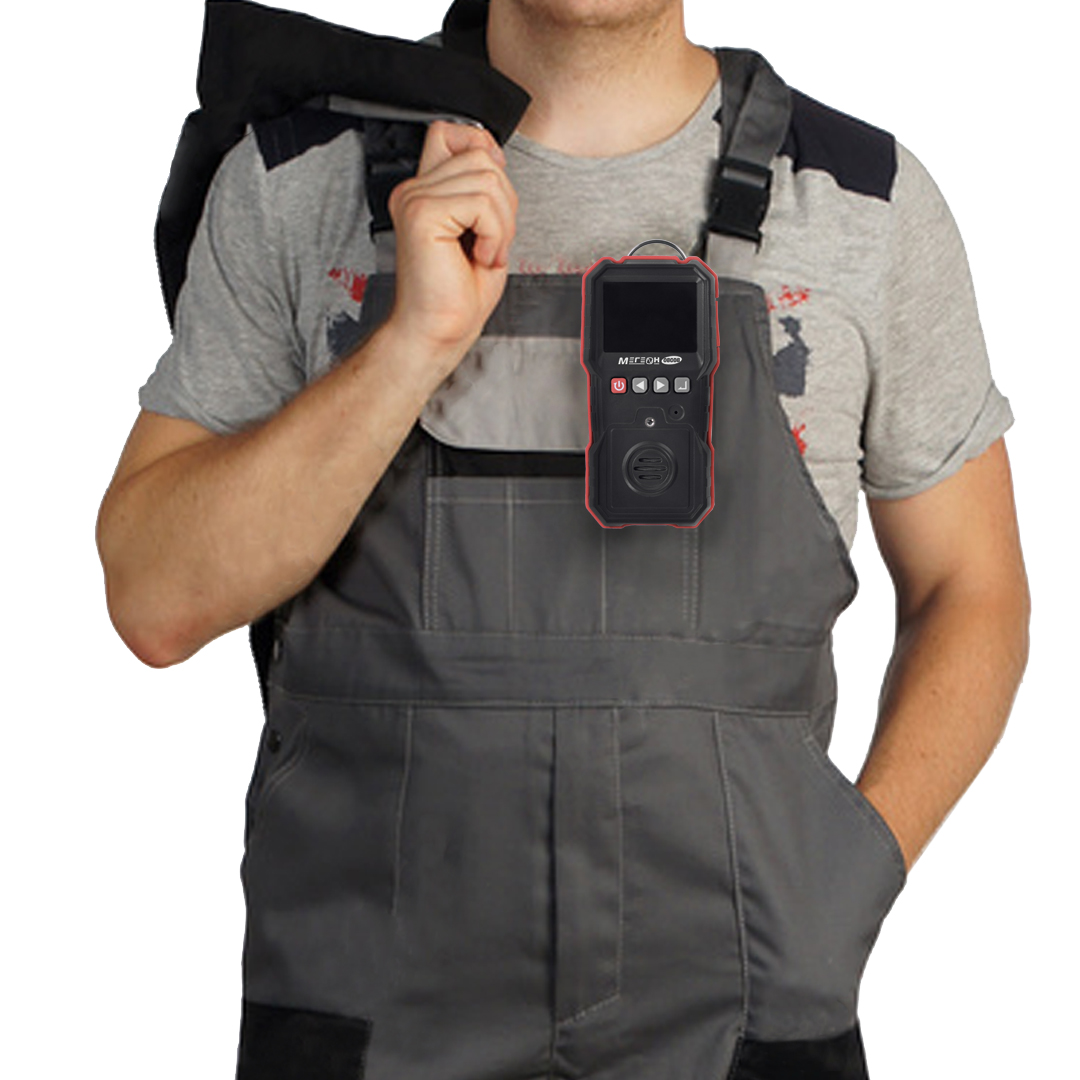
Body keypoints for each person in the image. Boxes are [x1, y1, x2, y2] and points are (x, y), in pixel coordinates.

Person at [95, 1, 1030, 1077]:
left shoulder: (865, 203)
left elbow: (973, 585)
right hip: (362, 1024)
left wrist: (850, 874)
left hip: (747, 1020)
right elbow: (154, 599)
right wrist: (411, 345)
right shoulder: (297, 182)